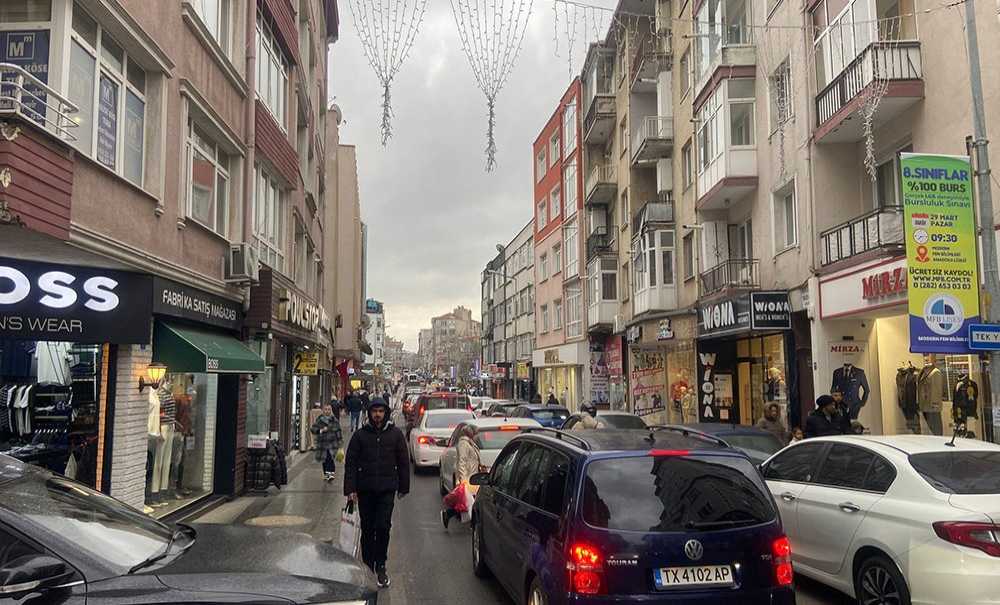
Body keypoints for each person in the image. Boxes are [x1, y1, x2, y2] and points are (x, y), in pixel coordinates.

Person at [344, 397, 409, 587]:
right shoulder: (360, 436)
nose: (378, 414)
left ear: (385, 413)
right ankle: (368, 566)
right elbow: (351, 463)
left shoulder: (395, 434)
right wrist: (351, 489)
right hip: (365, 489)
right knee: (367, 528)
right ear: (370, 413)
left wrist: (403, 487)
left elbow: (403, 462)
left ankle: (381, 565)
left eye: (381, 411)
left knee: (383, 527)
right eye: (375, 411)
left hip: (387, 489)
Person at [441, 424, 481, 529]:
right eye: (476, 433)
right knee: (469, 502)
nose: (477, 436)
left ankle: (448, 514)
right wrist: (463, 480)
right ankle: (473, 525)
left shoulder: (470, 443)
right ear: (470, 433)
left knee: (466, 502)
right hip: (467, 478)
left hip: (472, 476)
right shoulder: (464, 444)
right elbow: (462, 462)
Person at [310, 403, 343, 481]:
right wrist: (320, 430)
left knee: (330, 459)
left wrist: (340, 443)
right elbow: (313, 429)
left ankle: (330, 475)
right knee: (324, 461)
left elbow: (338, 431)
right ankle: (327, 474)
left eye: (329, 409)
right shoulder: (320, 419)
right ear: (323, 410)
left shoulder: (334, 420)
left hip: (332, 444)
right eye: (326, 409)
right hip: (323, 444)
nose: (327, 411)